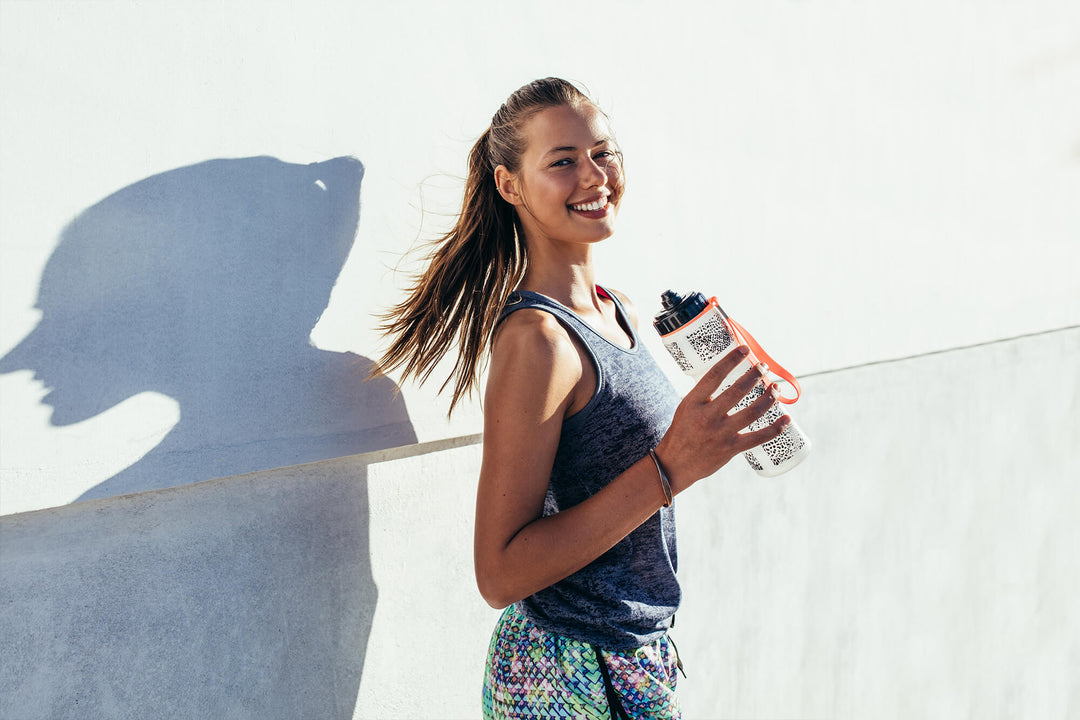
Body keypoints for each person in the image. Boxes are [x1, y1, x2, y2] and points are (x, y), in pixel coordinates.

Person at [373, 78, 789, 719]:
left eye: (604, 152)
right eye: (563, 161)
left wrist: (713, 434)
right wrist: (673, 464)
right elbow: (500, 573)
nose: (595, 176)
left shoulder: (614, 309)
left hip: (634, 657)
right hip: (563, 673)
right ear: (510, 185)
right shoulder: (536, 339)